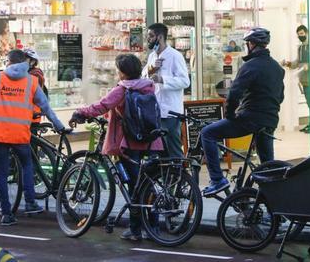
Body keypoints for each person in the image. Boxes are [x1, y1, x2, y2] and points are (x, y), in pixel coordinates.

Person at [71, 54, 164, 241]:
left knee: (133, 187)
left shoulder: (123, 89)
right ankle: (152, 226)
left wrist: (80, 113)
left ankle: (136, 229)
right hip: (151, 141)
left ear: (123, 72)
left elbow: (102, 105)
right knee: (148, 184)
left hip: (129, 143)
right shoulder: (147, 87)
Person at [200, 27, 284, 196]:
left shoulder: (250, 66)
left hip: (250, 118)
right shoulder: (277, 68)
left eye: (247, 43)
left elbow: (234, 94)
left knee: (207, 133)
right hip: (269, 121)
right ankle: (277, 205)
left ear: (251, 44)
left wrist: (230, 115)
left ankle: (217, 180)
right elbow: (280, 96)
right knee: (268, 165)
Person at [0, 50, 66, 226]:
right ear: (25, 62)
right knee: (27, 165)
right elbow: (45, 106)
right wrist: (58, 125)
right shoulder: (31, 81)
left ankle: (7, 214)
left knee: (1, 173)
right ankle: (30, 202)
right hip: (20, 134)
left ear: (7, 62)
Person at [142, 23, 190, 158]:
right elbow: (143, 76)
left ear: (160, 37)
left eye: (151, 36)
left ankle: (180, 177)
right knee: (157, 148)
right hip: (155, 110)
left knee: (172, 147)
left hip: (170, 111)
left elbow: (185, 81)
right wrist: (151, 70)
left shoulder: (175, 56)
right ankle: (163, 177)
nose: (148, 39)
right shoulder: (152, 56)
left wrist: (163, 79)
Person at [282, 25, 310, 133]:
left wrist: (308, 65)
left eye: (302, 34)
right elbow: (296, 63)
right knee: (309, 103)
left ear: (306, 33)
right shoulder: (301, 48)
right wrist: (287, 63)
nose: (300, 36)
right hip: (303, 80)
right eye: (299, 35)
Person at [23, 48, 47, 125]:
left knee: (32, 136)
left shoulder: (36, 74)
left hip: (33, 113)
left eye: (25, 59)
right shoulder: (26, 72)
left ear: (33, 61)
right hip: (25, 113)